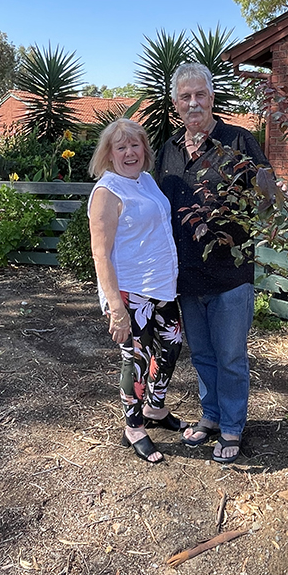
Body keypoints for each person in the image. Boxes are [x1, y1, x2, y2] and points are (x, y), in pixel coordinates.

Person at [156, 63, 273, 464]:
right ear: (175, 104)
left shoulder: (238, 140)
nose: (193, 103)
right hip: (186, 276)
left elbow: (267, 192)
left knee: (231, 356)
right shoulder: (169, 149)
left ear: (212, 97)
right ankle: (211, 415)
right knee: (203, 355)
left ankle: (233, 427)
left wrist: (272, 189)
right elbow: (157, 207)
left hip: (230, 275)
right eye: (184, 97)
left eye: (199, 95)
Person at [88, 119, 183, 464]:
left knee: (171, 348)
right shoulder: (107, 192)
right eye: (121, 147)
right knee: (137, 360)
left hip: (161, 284)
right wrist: (116, 306)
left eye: (135, 145)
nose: (130, 152)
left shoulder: (146, 182)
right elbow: (100, 253)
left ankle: (155, 409)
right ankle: (134, 427)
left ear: (144, 149)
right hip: (131, 290)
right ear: (110, 155)